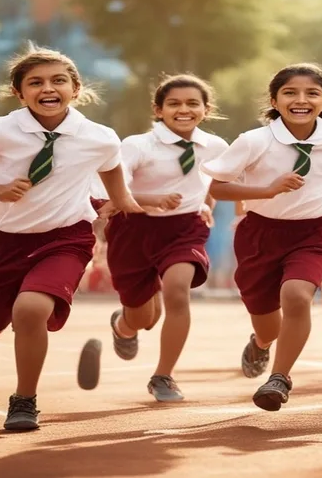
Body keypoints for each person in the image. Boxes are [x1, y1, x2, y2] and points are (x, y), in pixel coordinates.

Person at [0, 44, 143, 430]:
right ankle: (19, 316)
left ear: (76, 87)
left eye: (58, 80)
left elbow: (111, 165)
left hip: (65, 238)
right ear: (19, 93)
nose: (47, 88)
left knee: (30, 310)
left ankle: (24, 401)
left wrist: (121, 201)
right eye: (35, 82)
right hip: (1, 241)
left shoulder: (98, 136)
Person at [203, 63, 322, 412]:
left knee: (297, 295)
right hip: (260, 234)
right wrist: (267, 189)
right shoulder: (254, 141)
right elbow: (217, 186)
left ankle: (279, 377)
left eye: (311, 93)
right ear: (274, 100)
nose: (300, 100)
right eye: (290, 92)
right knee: (266, 321)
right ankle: (260, 342)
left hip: (314, 231)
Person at [103, 74, 228, 402]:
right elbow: (116, 189)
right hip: (134, 230)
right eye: (173, 103)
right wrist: (152, 201)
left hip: (185, 229)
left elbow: (214, 183)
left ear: (206, 109)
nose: (183, 109)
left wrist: (205, 205)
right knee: (143, 319)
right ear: (158, 110)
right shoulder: (136, 145)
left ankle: (163, 376)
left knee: (177, 291)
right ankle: (123, 326)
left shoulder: (216, 147)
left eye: (192, 103)